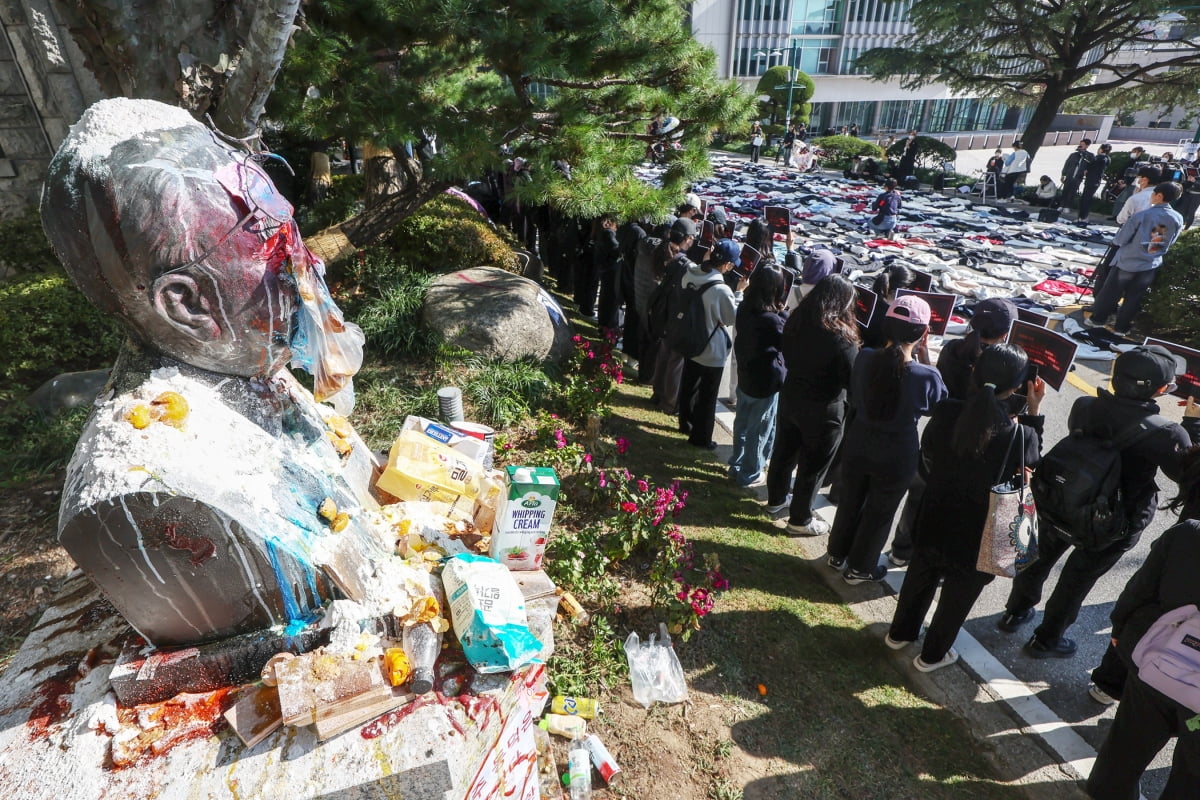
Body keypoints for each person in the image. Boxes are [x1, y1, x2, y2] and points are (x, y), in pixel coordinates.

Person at [42, 98, 387, 646]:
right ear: (188, 305)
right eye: (278, 254)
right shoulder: (143, 486)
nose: (310, 267)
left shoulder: (251, 372)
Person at [999, 345, 1200, 658]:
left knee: (1038, 560)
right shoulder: (1168, 433)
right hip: (1115, 522)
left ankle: (1015, 612)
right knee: (1076, 580)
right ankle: (1046, 640)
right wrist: (1192, 424)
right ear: (1161, 390)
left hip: (1061, 501)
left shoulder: (1085, 406)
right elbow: (1188, 476)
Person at [888, 345, 1045, 671]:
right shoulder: (1020, 433)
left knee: (921, 573)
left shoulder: (946, 410)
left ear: (976, 373)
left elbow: (928, 453)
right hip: (978, 531)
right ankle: (932, 656)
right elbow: (1030, 466)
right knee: (958, 597)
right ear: (1016, 386)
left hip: (934, 513)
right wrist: (1033, 411)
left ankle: (900, 633)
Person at [826, 296, 948, 583]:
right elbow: (935, 406)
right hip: (897, 453)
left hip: (858, 441)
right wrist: (926, 356)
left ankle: (836, 554)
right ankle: (860, 568)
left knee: (850, 501)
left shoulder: (865, 356)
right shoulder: (925, 375)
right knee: (880, 512)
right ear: (923, 333)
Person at [888, 298, 1018, 567]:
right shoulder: (1000, 366)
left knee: (919, 494)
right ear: (1005, 334)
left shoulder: (953, 348)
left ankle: (901, 549)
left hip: (938, 436)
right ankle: (933, 558)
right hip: (971, 445)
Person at [1085, 519, 1200, 799]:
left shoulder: (1189, 533)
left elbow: (1140, 589)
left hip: (1156, 662)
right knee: (1192, 777)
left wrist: (1119, 628)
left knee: (1127, 745)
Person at [1088, 435, 1200, 707]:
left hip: (1178, 556)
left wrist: (1119, 621)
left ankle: (1109, 684)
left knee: (1145, 610)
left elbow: (1186, 460)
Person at [764, 274, 860, 535]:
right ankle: (800, 519)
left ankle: (775, 500)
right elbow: (852, 379)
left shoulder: (796, 319)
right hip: (824, 409)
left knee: (783, 453)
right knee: (813, 466)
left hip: (792, 396)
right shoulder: (842, 337)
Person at [1085, 182, 1184, 336]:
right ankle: (1121, 328)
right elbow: (1166, 242)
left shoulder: (1143, 215)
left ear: (1159, 196)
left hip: (1128, 261)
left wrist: (1120, 243)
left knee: (1111, 293)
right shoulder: (1177, 217)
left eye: (1153, 193)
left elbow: (1121, 239)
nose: (1151, 196)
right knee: (1134, 298)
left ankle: (1098, 320)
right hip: (1150, 263)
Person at [678, 239, 746, 450]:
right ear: (726, 265)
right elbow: (730, 318)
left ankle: (685, 423)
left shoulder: (690, 273)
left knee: (689, 385)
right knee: (708, 397)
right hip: (710, 347)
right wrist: (739, 292)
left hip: (690, 338)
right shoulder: (721, 289)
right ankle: (701, 437)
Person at [727, 265, 787, 487]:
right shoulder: (772, 320)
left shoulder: (745, 307)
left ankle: (737, 464)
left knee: (742, 422)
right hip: (766, 382)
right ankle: (750, 473)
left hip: (745, 375)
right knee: (759, 429)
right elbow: (787, 338)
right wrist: (784, 311)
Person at [593, 214, 622, 330]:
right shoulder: (609, 233)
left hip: (605, 268)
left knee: (605, 297)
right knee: (609, 299)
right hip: (610, 269)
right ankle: (608, 325)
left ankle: (603, 323)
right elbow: (615, 249)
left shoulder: (601, 232)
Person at [1077, 143, 1112, 222]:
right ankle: (1082, 217)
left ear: (1102, 149)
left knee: (1086, 199)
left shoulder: (1102, 158)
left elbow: (1092, 163)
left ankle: (1083, 217)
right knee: (1085, 199)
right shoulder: (1105, 158)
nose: (1098, 150)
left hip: (1093, 181)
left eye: (1099, 148)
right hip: (1093, 181)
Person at [1059, 139, 1093, 208]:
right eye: (1080, 144)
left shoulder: (1090, 156)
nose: (1080, 146)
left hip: (1078, 177)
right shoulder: (1073, 155)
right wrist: (1063, 174)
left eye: (1082, 145)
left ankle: (1067, 206)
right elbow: (1067, 164)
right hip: (1069, 175)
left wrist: (1087, 171)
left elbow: (1091, 166)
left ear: (1087, 146)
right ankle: (1061, 205)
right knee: (1065, 190)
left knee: (1072, 192)